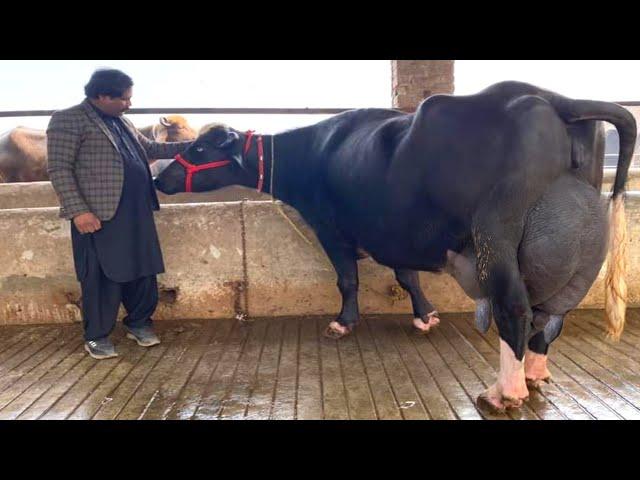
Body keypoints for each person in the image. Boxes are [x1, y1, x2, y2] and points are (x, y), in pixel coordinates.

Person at [47, 68, 193, 359]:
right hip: (99, 214)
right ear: (102, 96)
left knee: (143, 269)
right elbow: (59, 169)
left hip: (136, 209)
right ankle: (97, 336)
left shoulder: (121, 121)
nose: (129, 104)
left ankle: (139, 322)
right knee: (102, 276)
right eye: (124, 99)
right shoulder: (68, 119)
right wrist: (79, 211)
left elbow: (151, 148)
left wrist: (201, 145)